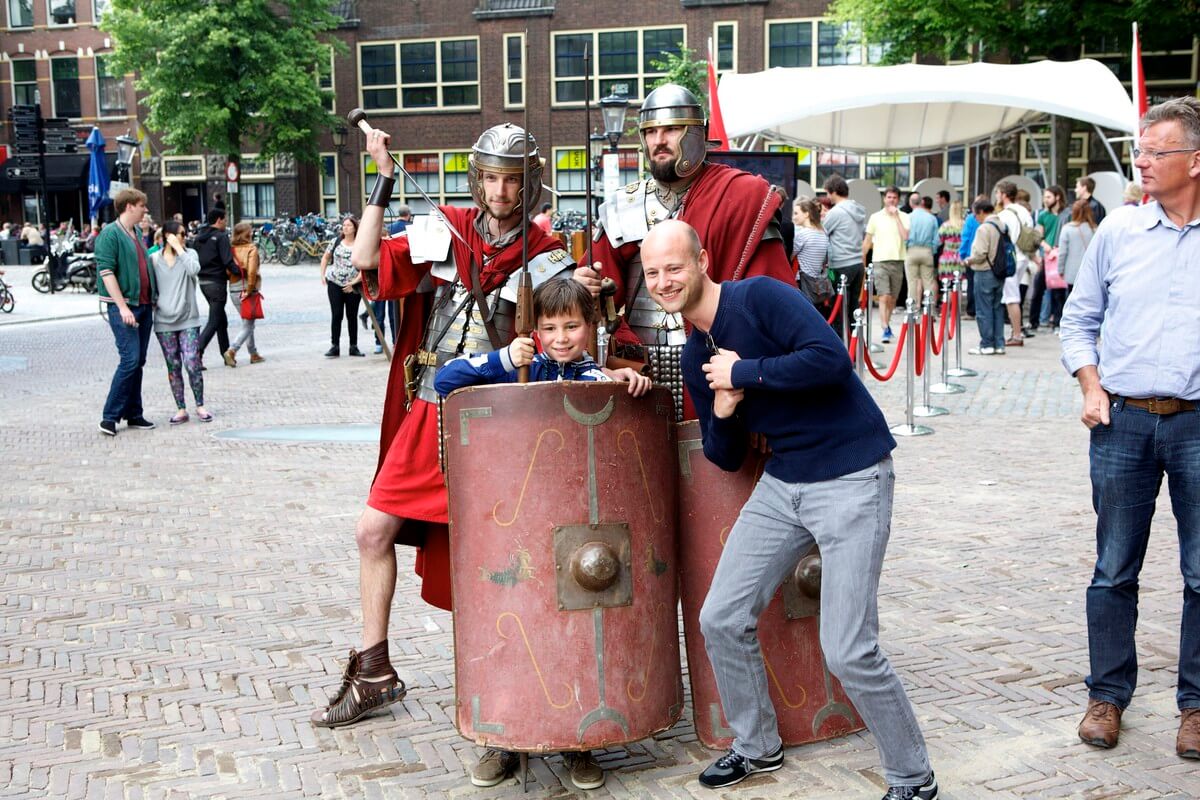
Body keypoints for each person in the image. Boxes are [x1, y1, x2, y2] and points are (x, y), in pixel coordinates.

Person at [311, 121, 579, 788]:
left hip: (503, 424)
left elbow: (568, 334)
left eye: (513, 179)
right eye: (490, 177)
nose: (501, 191)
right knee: (371, 529)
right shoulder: (444, 229)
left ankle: (524, 706)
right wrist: (378, 178)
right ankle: (374, 669)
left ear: (531, 180)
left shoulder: (546, 251)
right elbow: (363, 265)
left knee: (496, 573)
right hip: (430, 410)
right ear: (474, 177)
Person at [641, 219, 938, 799]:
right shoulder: (698, 351)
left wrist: (743, 372)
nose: (664, 281)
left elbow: (830, 359)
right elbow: (725, 458)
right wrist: (724, 406)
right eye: (653, 273)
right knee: (720, 617)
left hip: (852, 474)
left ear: (702, 259)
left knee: (849, 647)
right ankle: (756, 746)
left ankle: (913, 777)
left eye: (674, 267)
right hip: (784, 485)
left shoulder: (760, 297)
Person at [1059, 95, 1200, 761]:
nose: (1140, 161)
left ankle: (1196, 707)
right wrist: (1090, 384)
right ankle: (1106, 696)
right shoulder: (1117, 232)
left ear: (1194, 162)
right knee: (1114, 567)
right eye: (1139, 150)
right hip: (1122, 425)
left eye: (1155, 151)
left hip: (1198, 424)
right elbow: (1078, 319)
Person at [577, 84, 794, 421]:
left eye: (672, 129)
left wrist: (765, 386)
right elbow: (595, 291)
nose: (659, 140)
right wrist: (586, 285)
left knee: (716, 465)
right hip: (638, 371)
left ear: (697, 134)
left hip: (718, 364)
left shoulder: (741, 197)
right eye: (651, 132)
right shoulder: (622, 205)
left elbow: (774, 299)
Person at [436, 277, 651, 396]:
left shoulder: (602, 383)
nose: (561, 338)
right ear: (536, 330)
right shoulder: (522, 371)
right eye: (549, 328)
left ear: (588, 324)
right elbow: (444, 381)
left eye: (571, 326)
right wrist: (505, 359)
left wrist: (630, 389)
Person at [96, 189, 157, 436]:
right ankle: (109, 417)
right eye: (142, 205)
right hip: (127, 307)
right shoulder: (110, 234)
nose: (145, 210)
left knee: (138, 361)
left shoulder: (136, 234)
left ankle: (134, 413)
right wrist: (122, 307)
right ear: (129, 206)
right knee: (130, 359)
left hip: (143, 305)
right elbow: (106, 272)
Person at [150, 221, 211, 424]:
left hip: (188, 319)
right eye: (181, 234)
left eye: (185, 234)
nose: (186, 237)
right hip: (164, 321)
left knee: (192, 361)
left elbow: (194, 270)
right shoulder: (154, 259)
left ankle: (200, 405)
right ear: (168, 235)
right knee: (173, 365)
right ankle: (181, 408)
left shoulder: (189, 255)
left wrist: (179, 248)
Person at [823, 174, 868, 337]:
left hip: (839, 266)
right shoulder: (858, 210)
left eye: (827, 193)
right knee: (853, 308)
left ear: (834, 191)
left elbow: (822, 233)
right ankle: (856, 344)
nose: (827, 197)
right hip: (857, 264)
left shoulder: (836, 213)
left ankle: (841, 346)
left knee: (839, 308)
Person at [863, 185, 910, 344]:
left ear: (898, 200)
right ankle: (884, 327)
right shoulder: (875, 217)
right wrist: (862, 257)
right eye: (889, 197)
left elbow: (905, 236)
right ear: (884, 198)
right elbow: (868, 240)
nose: (891, 200)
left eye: (894, 198)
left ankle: (887, 324)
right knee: (884, 295)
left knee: (893, 298)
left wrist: (896, 217)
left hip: (898, 261)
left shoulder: (904, 216)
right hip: (879, 261)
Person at [194, 209, 238, 368]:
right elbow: (227, 260)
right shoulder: (220, 237)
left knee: (221, 320)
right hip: (217, 283)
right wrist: (240, 273)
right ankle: (196, 352)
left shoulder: (198, 238)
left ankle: (226, 353)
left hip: (203, 283)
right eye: (225, 220)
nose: (225, 223)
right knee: (214, 321)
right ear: (219, 220)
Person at [963, 199, 1005, 356]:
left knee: (983, 309)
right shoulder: (1002, 225)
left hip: (984, 271)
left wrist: (969, 260)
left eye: (975, 214)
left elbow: (980, 253)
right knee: (997, 308)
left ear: (981, 212)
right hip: (1000, 272)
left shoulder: (984, 228)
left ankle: (986, 344)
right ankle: (999, 343)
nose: (975, 218)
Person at [995, 181, 1033, 347]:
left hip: (1012, 258)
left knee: (1012, 298)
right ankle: (1015, 331)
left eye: (998, 193)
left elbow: (1001, 238)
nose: (996, 196)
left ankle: (1017, 334)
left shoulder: (1004, 215)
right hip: (1023, 256)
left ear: (1003, 194)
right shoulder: (1024, 210)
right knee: (1014, 295)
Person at [320, 215, 365, 357]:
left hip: (353, 285)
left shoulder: (361, 244)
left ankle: (353, 346)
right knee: (337, 314)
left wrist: (355, 282)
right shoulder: (336, 241)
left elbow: (365, 266)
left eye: (349, 225)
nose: (345, 227)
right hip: (335, 283)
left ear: (355, 228)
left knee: (352, 316)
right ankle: (335, 346)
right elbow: (326, 257)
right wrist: (322, 274)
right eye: (344, 225)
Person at [225, 221, 264, 366]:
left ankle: (253, 353)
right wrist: (250, 289)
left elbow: (227, 270)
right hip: (246, 288)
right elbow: (252, 271)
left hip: (233, 288)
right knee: (249, 324)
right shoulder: (251, 249)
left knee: (247, 321)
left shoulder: (231, 249)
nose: (253, 232)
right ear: (246, 233)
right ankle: (232, 350)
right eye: (250, 230)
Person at [1029, 185, 1068, 330]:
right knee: (1038, 288)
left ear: (1057, 197)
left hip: (1061, 256)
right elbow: (1038, 235)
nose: (1045, 200)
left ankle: (1058, 322)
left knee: (1058, 292)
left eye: (1048, 197)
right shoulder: (1043, 216)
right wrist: (1044, 244)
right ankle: (1034, 321)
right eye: (1045, 197)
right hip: (1048, 257)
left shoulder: (1066, 215)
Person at [791, 198, 830, 305]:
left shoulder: (802, 234)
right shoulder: (823, 232)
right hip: (818, 283)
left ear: (806, 214)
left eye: (796, 213)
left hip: (803, 282)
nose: (794, 217)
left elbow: (791, 256)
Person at [904, 196, 940, 309]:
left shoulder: (907, 217)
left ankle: (912, 309)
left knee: (912, 283)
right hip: (927, 251)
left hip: (911, 250)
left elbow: (904, 237)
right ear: (922, 202)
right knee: (928, 282)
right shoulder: (931, 218)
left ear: (911, 203)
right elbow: (937, 239)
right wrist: (932, 250)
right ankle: (930, 310)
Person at [1057, 199, 1096, 293]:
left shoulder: (1067, 229)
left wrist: (1060, 270)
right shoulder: (1095, 229)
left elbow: (1062, 252)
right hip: (1090, 273)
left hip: (1071, 272)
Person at [936, 200, 965, 281]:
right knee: (960, 287)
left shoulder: (945, 226)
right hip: (961, 259)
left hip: (947, 260)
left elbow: (938, 242)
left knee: (947, 288)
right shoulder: (965, 225)